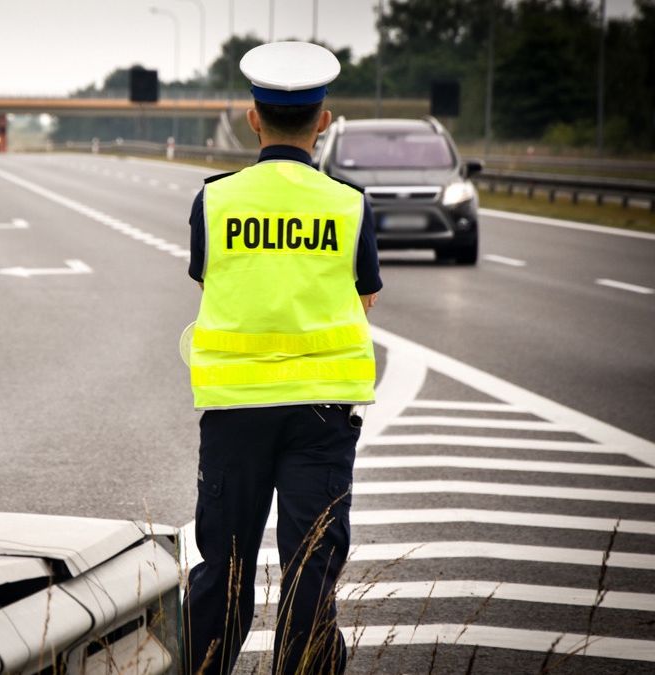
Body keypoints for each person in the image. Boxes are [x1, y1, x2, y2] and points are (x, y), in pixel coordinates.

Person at [182, 41, 382, 675]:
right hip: (321, 415)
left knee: (226, 572)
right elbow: (365, 295)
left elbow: (208, 278)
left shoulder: (215, 200)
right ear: (323, 121)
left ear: (253, 118)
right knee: (309, 573)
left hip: (236, 410)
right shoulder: (349, 206)